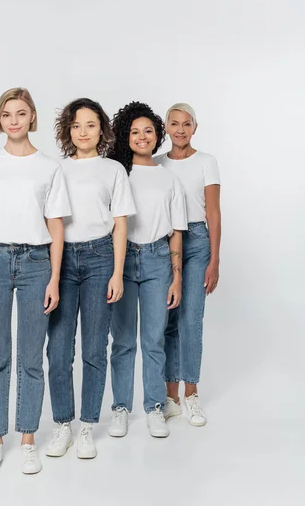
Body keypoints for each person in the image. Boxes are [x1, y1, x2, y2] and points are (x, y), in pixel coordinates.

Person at [0, 87, 71, 474]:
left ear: (32, 118)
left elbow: (55, 225)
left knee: (30, 358)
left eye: (21, 113)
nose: (13, 120)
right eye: (7, 113)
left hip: (35, 263)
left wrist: (54, 278)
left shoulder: (48, 167)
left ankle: (27, 439)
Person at [46, 98, 136, 459]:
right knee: (58, 349)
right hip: (63, 259)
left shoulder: (113, 170)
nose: (84, 132)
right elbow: (50, 222)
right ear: (68, 131)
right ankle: (63, 424)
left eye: (91, 125)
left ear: (102, 130)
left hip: (101, 260)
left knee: (95, 348)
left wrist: (117, 272)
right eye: (77, 126)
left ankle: (86, 425)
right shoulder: (57, 171)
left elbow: (121, 224)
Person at [107, 101, 187, 438]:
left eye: (148, 131)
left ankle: (154, 406)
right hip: (121, 262)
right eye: (134, 132)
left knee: (154, 339)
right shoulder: (116, 173)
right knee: (123, 341)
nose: (142, 137)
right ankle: (121, 408)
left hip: (157, 260)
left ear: (158, 135)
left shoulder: (169, 179)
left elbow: (177, 231)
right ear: (126, 136)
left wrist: (177, 277)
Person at [155, 102, 221, 426]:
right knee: (168, 319)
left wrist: (215, 259)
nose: (180, 129)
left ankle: (192, 393)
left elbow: (213, 212)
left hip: (196, 242)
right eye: (174, 123)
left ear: (195, 128)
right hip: (163, 242)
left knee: (191, 318)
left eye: (186, 124)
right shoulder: (156, 164)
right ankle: (171, 397)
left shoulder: (207, 162)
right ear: (166, 128)